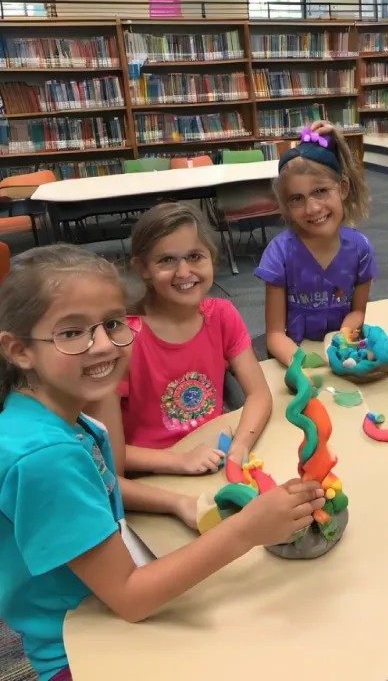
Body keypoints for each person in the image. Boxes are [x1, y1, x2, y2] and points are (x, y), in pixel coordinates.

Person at [0, 245, 324, 681]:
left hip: (99, 607)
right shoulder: (46, 457)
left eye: (113, 324)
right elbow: (131, 598)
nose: (102, 345)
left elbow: (107, 483)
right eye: (71, 333)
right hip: (80, 650)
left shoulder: (57, 416)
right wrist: (247, 530)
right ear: (19, 351)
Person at [93, 202, 272, 476]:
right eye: (166, 260)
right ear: (142, 268)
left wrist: (240, 446)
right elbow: (107, 451)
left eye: (195, 256)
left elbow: (259, 394)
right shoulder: (122, 340)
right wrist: (180, 461)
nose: (184, 272)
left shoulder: (222, 315)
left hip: (213, 458)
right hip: (152, 475)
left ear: (211, 258)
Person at [257, 120, 375, 366]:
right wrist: (304, 366)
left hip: (342, 351)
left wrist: (342, 338)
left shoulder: (360, 249)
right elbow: (275, 335)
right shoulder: (279, 254)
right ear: (286, 205)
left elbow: (358, 312)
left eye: (321, 191)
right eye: (297, 199)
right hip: (295, 354)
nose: (312, 208)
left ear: (342, 188)